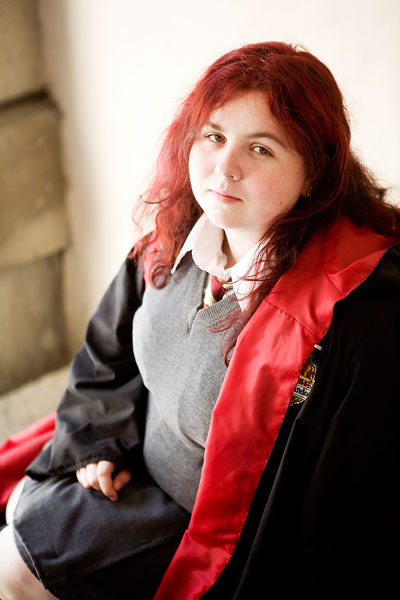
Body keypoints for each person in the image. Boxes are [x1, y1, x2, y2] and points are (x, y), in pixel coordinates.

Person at [0, 41, 399, 600]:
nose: (224, 168)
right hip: (128, 468)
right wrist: (99, 440)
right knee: (17, 513)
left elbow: (335, 510)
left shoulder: (353, 319)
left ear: (314, 173)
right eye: (213, 136)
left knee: (14, 570)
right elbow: (108, 350)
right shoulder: (180, 233)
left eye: (260, 149)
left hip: (214, 540)